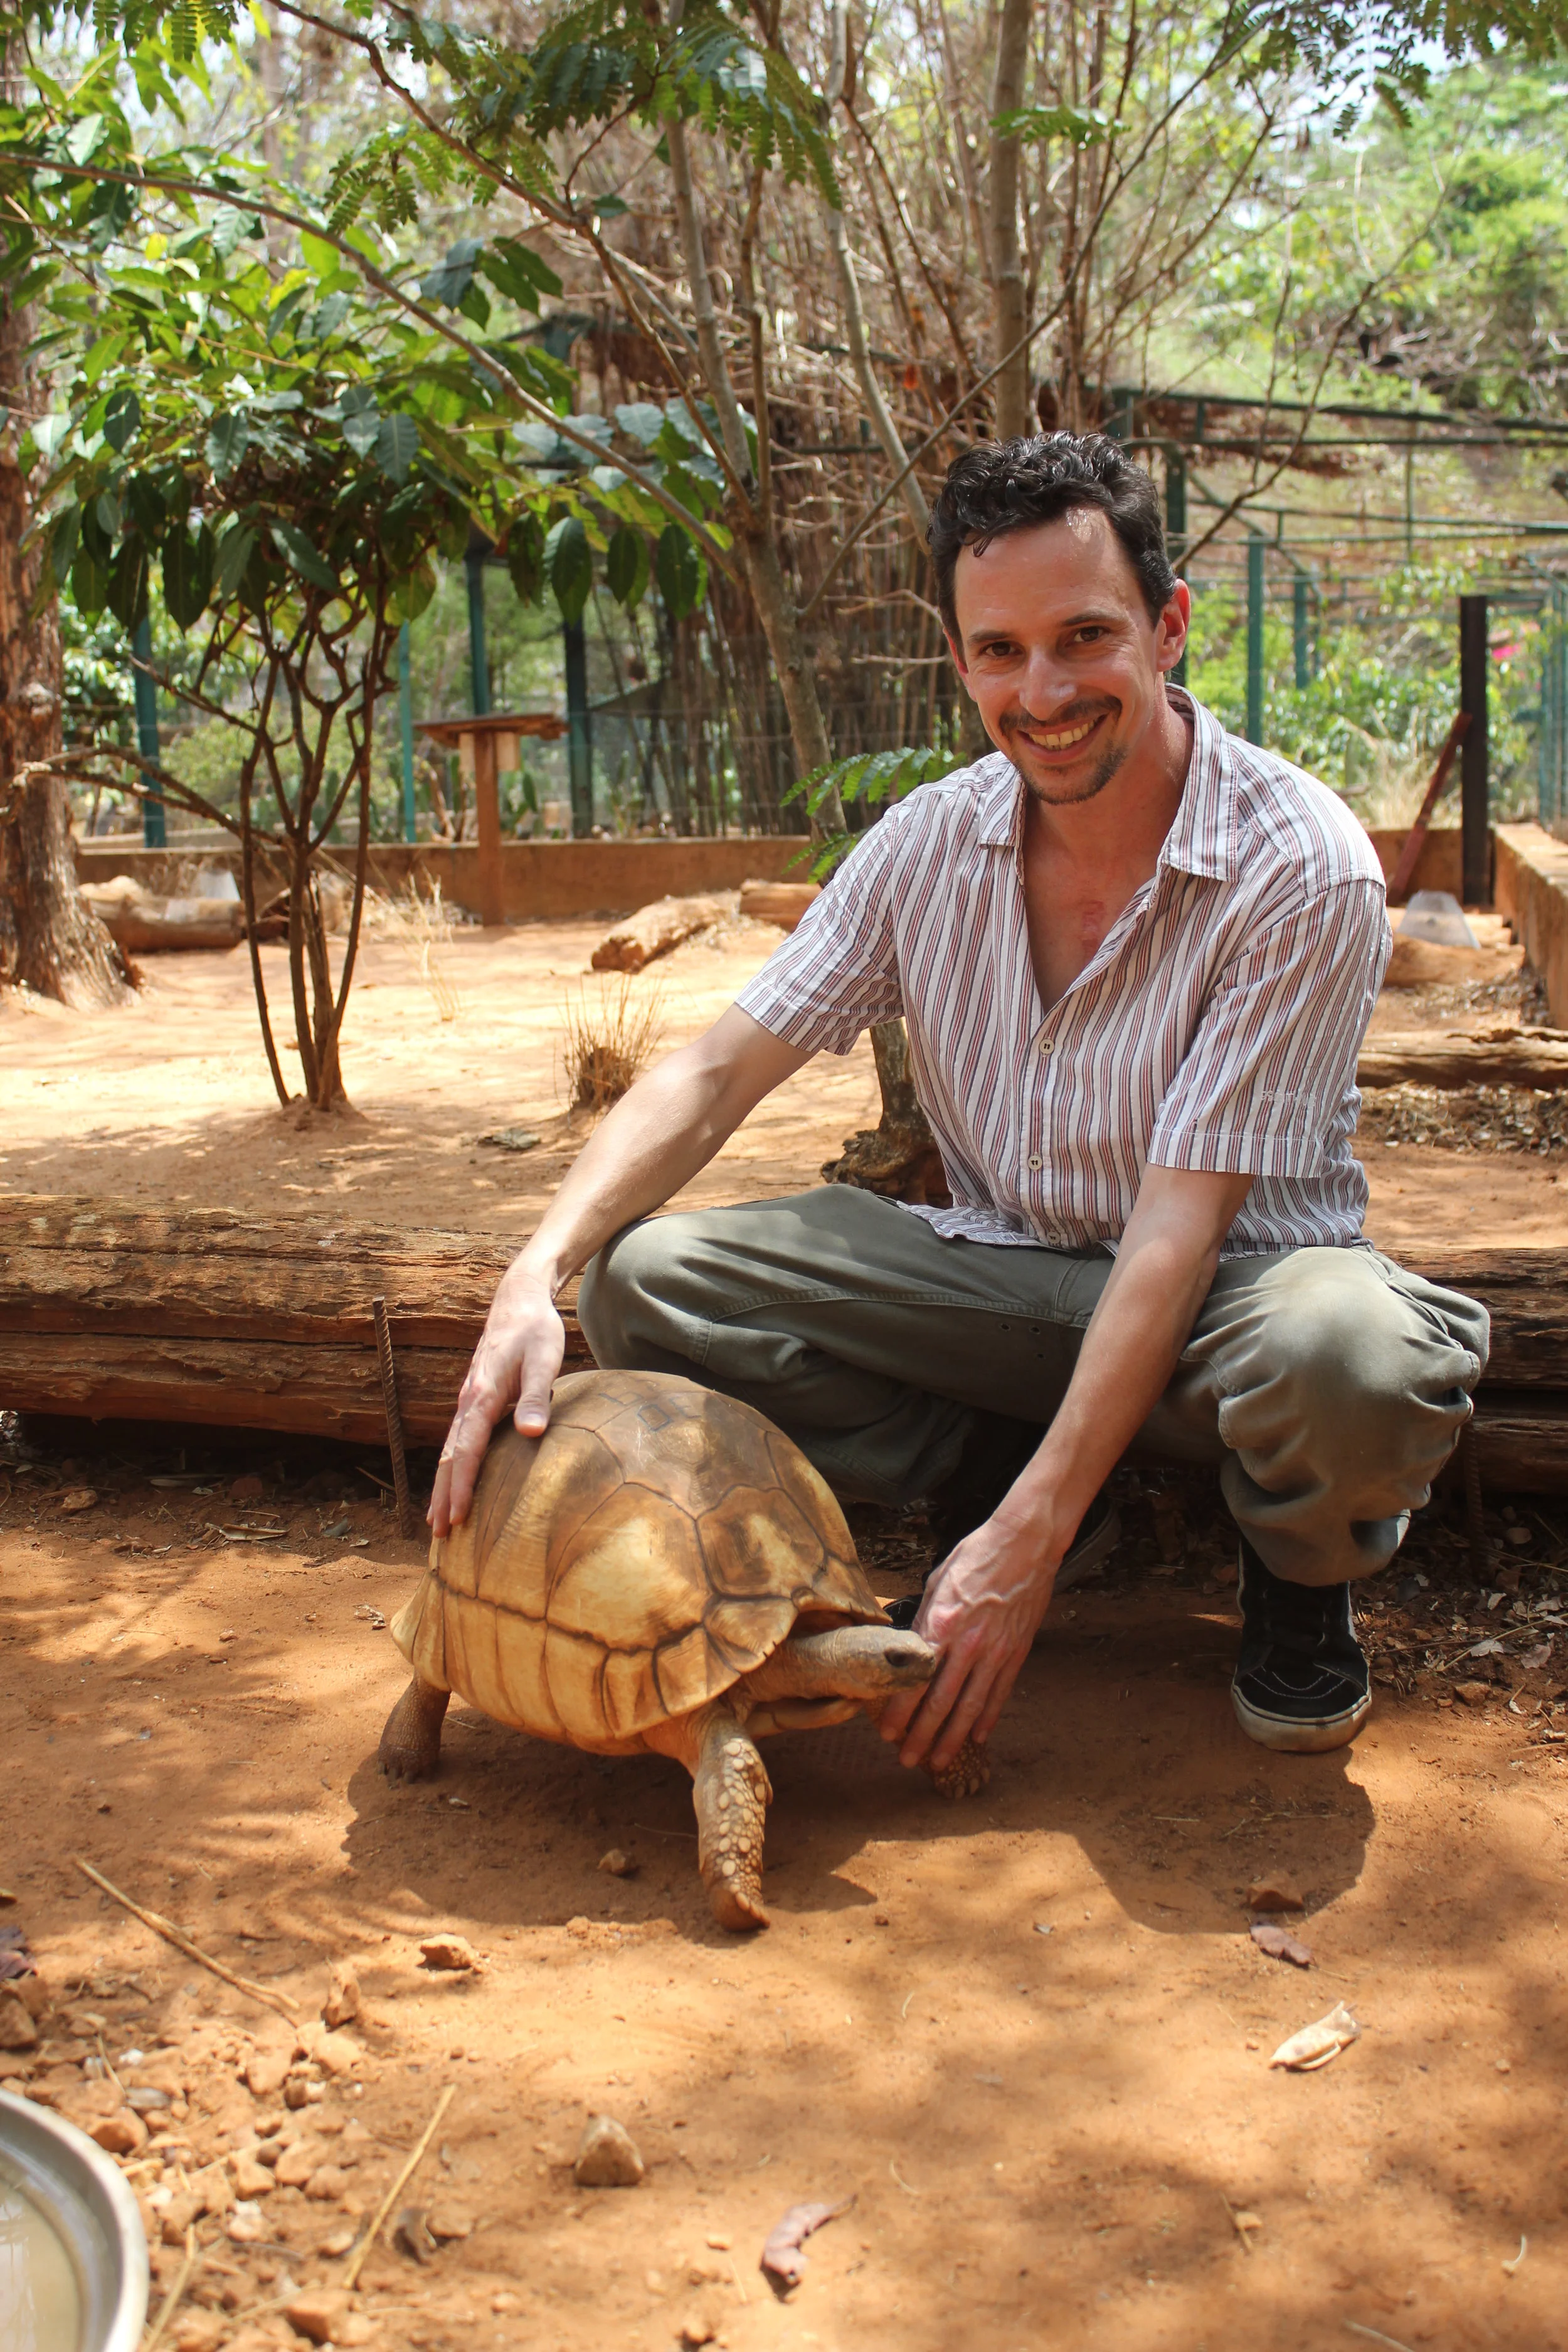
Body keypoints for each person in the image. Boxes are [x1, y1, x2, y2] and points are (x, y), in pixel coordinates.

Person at [430, 432, 1487, 1782]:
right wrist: (534, 1269)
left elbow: (1174, 1230)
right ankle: (988, 1464)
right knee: (650, 1282)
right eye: (999, 651)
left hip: (1230, 1302)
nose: (1040, 693)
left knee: (1348, 1358)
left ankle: (1287, 1569)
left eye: (1082, 638)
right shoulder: (928, 841)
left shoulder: (1298, 862)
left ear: (1167, 629)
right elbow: (711, 1073)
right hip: (999, 1287)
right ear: (959, 658)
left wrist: (1023, 1553)